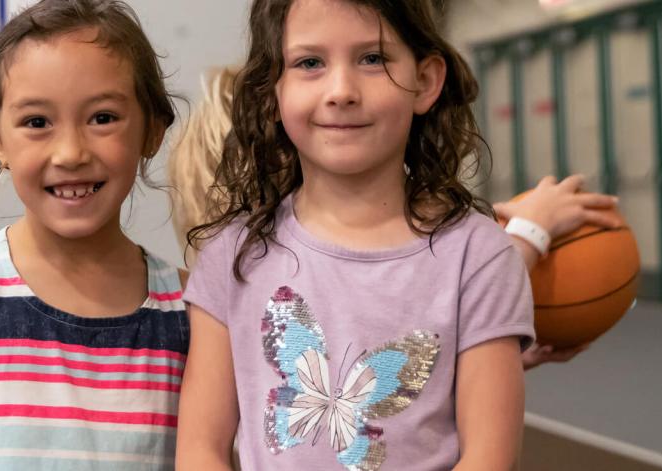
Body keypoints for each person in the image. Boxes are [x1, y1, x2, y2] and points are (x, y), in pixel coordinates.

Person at [177, 0, 543, 468]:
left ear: (426, 82)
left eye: (372, 59)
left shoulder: (479, 253)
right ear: (271, 93)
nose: (341, 90)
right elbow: (200, 450)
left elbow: (487, 459)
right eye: (310, 62)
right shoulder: (232, 254)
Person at [0, 1, 186, 469]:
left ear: (152, 131)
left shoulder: (190, 309)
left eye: (103, 117)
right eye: (36, 123)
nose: (70, 153)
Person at [167, 67, 617, 372]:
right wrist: (526, 236)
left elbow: (384, 356)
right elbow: (401, 318)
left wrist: (487, 355)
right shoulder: (253, 283)